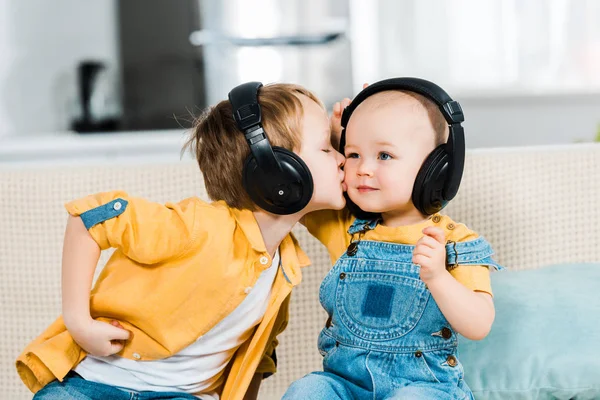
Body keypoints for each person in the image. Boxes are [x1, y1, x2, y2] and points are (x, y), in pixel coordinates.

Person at [16, 82, 346, 400]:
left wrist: (351, 139)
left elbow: (254, 360)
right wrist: (79, 323)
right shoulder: (198, 226)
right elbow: (90, 218)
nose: (342, 159)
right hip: (94, 385)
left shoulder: (285, 268)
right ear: (278, 174)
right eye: (327, 148)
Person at [284, 78, 504, 400]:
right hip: (346, 385)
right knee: (308, 391)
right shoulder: (345, 225)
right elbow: (303, 191)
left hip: (425, 388)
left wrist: (438, 277)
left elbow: (479, 324)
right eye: (354, 154)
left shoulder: (456, 241)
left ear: (437, 169)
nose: (362, 169)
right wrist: (332, 143)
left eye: (384, 155)